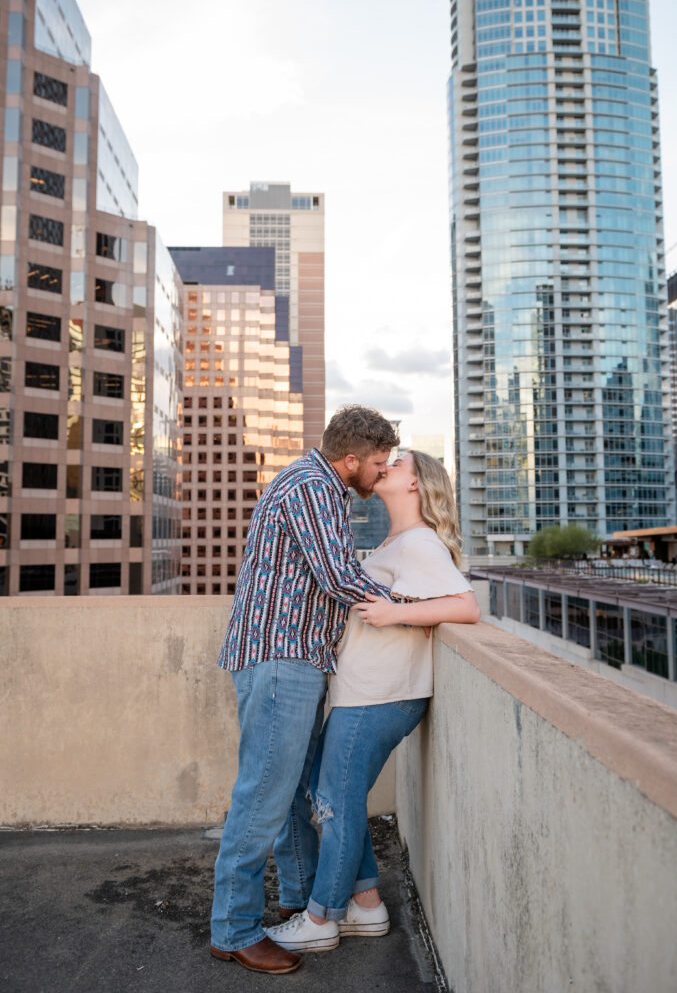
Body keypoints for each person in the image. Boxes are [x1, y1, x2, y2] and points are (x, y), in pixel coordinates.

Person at [209, 405, 404, 975]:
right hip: (281, 660)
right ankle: (234, 930)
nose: (382, 471)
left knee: (292, 789)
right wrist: (416, 605)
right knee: (263, 797)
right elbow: (340, 575)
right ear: (350, 459)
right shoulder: (312, 488)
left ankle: (298, 897)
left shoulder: (318, 486)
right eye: (377, 462)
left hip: (290, 658)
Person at [266, 450, 480, 953]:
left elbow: (465, 605)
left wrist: (395, 614)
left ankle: (321, 920)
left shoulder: (421, 542)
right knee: (336, 798)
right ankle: (366, 904)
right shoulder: (396, 541)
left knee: (336, 804)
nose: (386, 465)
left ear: (415, 486)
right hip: (364, 692)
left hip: (383, 694)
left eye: (399, 463)